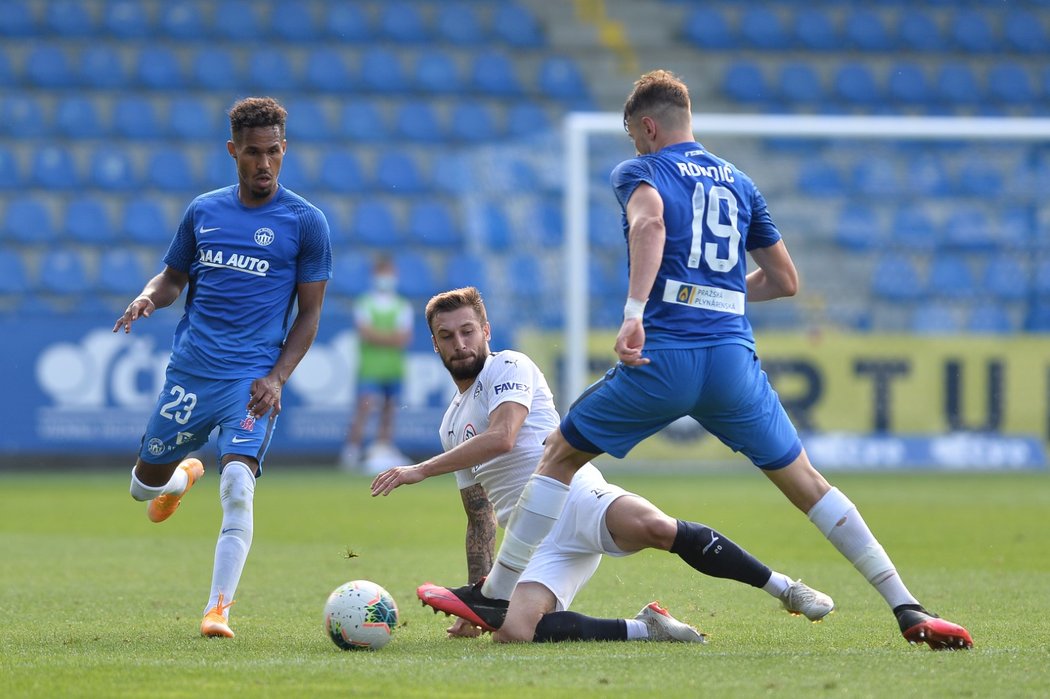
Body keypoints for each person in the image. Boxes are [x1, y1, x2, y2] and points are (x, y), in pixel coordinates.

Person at [424, 71, 973, 651]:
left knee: (557, 453)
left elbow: (650, 222)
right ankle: (907, 606)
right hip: (733, 363)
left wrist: (636, 310)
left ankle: (497, 590)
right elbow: (785, 281)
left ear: (649, 126)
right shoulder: (740, 183)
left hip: (664, 360)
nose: (635, 147)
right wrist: (720, 292)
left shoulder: (642, 171)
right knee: (809, 483)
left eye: (636, 136)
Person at [371, 287, 834, 643]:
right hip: (532, 543)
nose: (460, 343)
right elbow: (478, 517)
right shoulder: (450, 425)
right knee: (516, 632)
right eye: (447, 336)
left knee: (656, 528)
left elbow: (503, 435)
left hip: (573, 497)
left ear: (486, 331)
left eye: (468, 330)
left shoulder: (508, 366)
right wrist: (481, 605)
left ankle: (785, 589)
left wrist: (419, 470)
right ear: (434, 345)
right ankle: (645, 627)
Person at [113, 96, 332, 638]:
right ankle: (181, 475)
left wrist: (277, 377)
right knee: (142, 489)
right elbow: (171, 279)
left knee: (238, 484)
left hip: (251, 381)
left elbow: (309, 316)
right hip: (191, 372)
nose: (264, 164)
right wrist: (147, 297)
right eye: (253, 153)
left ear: (286, 150)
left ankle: (218, 609)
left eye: (274, 153)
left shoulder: (306, 223)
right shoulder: (203, 212)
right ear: (233, 151)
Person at [339, 256, 412, 472]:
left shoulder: (402, 305)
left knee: (389, 411)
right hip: (370, 367)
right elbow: (366, 333)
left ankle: (382, 450)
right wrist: (390, 338)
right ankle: (351, 452)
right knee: (364, 408)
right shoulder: (365, 303)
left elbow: (403, 338)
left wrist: (378, 336)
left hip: (393, 367)